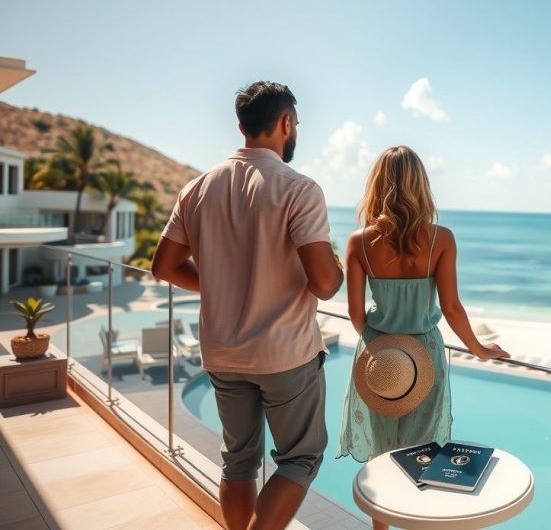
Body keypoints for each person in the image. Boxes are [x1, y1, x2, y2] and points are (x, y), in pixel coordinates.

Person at [152, 81, 344, 530]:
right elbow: (324, 284)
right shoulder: (299, 189)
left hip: (222, 352)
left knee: (238, 461)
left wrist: (221, 286)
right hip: (285, 355)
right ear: (286, 123)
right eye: (295, 123)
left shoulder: (197, 188)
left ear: (241, 126)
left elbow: (163, 266)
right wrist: (338, 264)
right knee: (300, 457)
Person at [336, 145, 509, 530]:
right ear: (421, 185)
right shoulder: (441, 239)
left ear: (376, 185)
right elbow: (452, 308)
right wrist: (478, 349)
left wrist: (379, 345)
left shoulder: (358, 242)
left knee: (382, 455)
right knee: (424, 453)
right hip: (426, 355)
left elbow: (353, 312)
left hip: (379, 356)